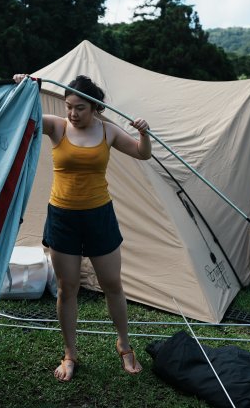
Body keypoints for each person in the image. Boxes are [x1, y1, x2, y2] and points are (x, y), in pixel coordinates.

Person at [13, 73, 152, 381]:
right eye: (68, 107)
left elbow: (143, 153)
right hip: (63, 217)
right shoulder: (57, 126)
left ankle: (124, 345)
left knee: (112, 284)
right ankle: (70, 354)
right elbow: (25, 113)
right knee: (67, 287)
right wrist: (25, 85)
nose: (72, 114)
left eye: (79, 108)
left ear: (95, 109)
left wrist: (144, 133)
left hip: (99, 216)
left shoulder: (109, 132)